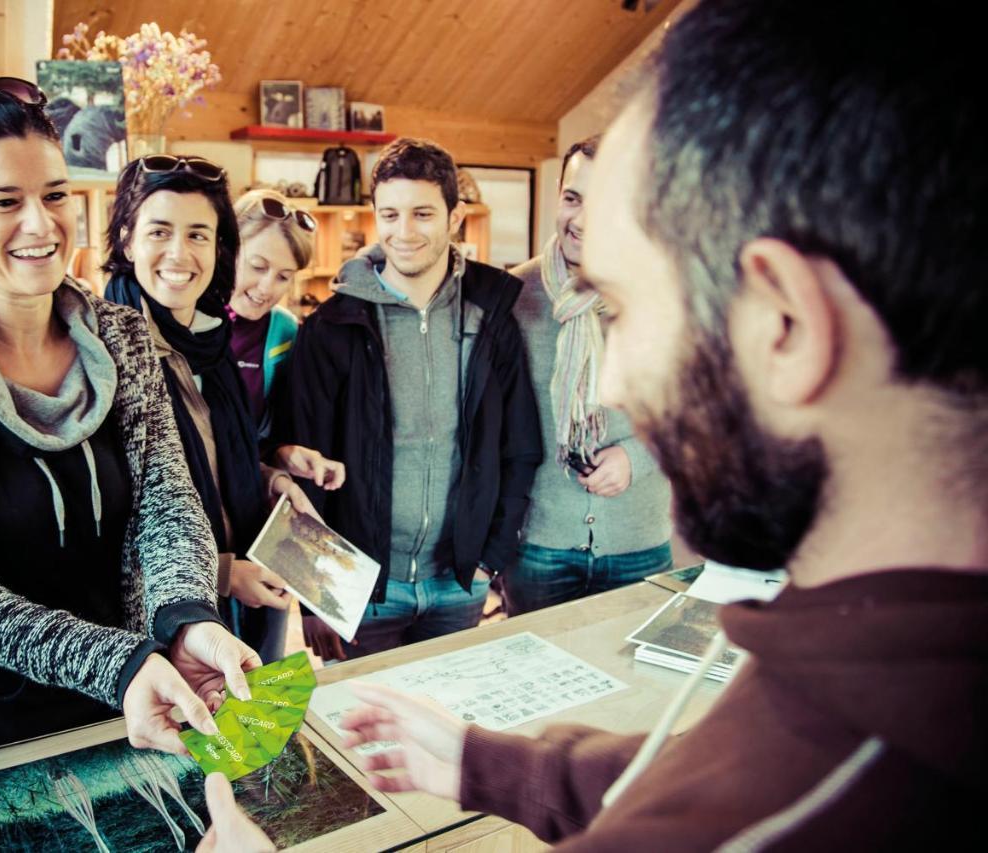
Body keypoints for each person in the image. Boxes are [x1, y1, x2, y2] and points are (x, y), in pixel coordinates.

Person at [206, 0, 988, 847]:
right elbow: (711, 767)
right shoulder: (868, 656)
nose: (611, 376)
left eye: (626, 305)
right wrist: (486, 761)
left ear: (785, 324)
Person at [0, 79, 257, 772]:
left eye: (55, 194)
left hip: (138, 703)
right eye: (5, 201)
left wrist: (186, 614)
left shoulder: (125, 338)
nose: (40, 224)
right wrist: (116, 660)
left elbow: (169, 503)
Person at [289, 137, 542, 661]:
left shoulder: (491, 316)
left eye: (423, 213)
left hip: (459, 582)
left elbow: (520, 448)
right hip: (362, 588)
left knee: (442, 730)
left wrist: (487, 561)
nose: (404, 233)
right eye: (391, 214)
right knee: (361, 733)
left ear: (455, 217)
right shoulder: (333, 326)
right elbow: (302, 466)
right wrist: (314, 597)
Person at [102, 156, 341, 663]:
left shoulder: (211, 339)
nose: (179, 253)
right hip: (170, 619)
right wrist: (224, 573)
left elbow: (220, 454)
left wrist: (273, 478)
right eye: (160, 232)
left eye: (197, 235)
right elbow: (114, 518)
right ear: (127, 239)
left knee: (252, 732)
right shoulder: (108, 349)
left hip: (254, 579)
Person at [505, 134, 673, 615]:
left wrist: (636, 457)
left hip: (637, 546)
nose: (580, 220)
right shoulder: (512, 295)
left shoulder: (665, 297)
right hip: (537, 546)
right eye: (572, 198)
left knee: (637, 689)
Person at [225, 189, 313, 450]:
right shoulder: (183, 318)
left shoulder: (285, 331)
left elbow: (276, 431)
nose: (266, 288)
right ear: (226, 250)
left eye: (283, 276)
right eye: (258, 266)